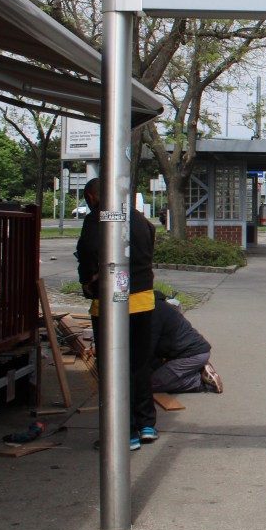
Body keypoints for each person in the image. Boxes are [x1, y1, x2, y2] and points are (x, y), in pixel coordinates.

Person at [75, 177, 158, 450]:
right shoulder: (139, 218)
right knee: (139, 364)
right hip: (144, 301)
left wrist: (89, 280)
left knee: (114, 369)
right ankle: (146, 424)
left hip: (112, 304)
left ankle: (125, 432)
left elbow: (88, 250)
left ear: (92, 196)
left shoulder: (98, 218)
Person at [150, 291, 222, 394]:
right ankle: (198, 369)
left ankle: (199, 380)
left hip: (191, 355)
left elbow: (150, 347)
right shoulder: (160, 305)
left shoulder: (155, 311)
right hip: (193, 352)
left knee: (150, 384)